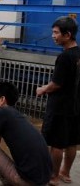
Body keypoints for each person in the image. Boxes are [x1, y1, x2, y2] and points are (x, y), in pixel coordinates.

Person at [0, 82, 52, 186]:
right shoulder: (16, 115)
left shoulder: (3, 112)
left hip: (29, 182)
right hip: (43, 180)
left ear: (2, 100)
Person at [36, 16, 80, 185]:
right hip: (76, 106)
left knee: (56, 143)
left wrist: (42, 89)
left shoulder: (64, 57)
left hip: (60, 107)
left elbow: (56, 84)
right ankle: (65, 173)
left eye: (55, 33)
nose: (53, 36)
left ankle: (53, 176)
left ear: (67, 35)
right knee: (71, 142)